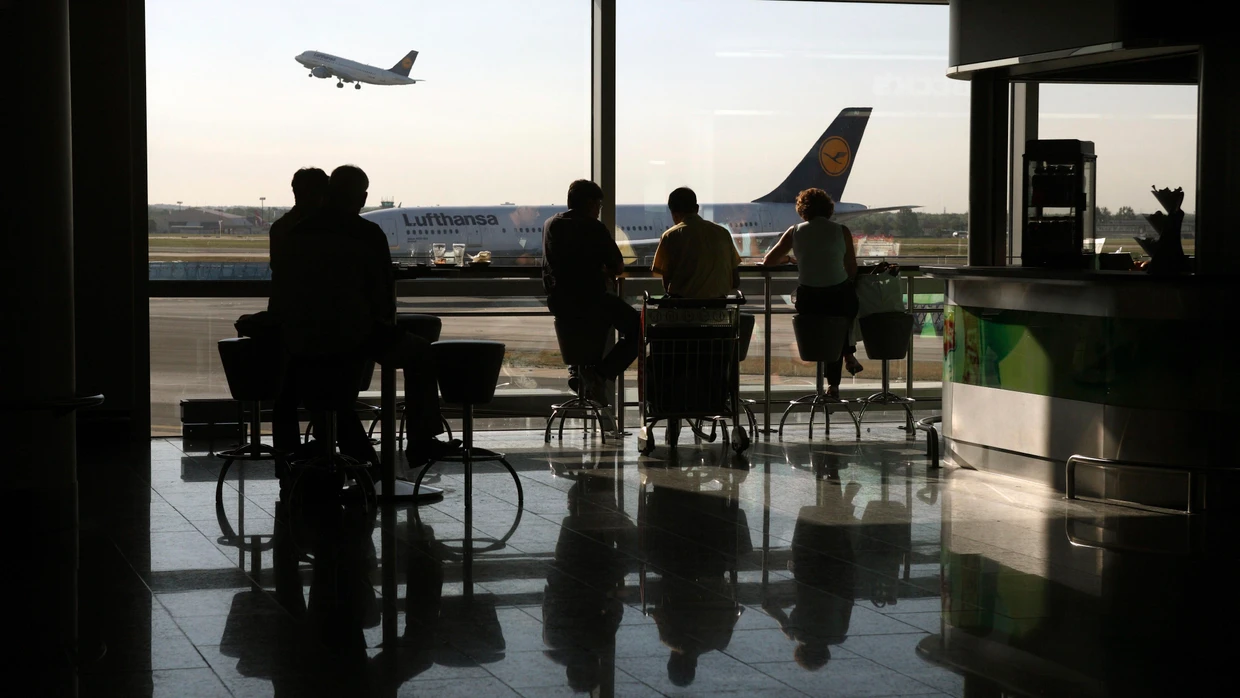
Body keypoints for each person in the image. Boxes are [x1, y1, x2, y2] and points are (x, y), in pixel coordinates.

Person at [270, 165, 455, 478]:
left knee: (316, 389)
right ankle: (421, 441)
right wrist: (383, 327)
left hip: (305, 340)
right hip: (354, 337)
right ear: (363, 196)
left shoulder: (295, 232)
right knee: (421, 353)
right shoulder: (365, 233)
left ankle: (323, 456)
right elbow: (382, 295)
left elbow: (284, 286)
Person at [542, 179, 639, 419]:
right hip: (592, 301)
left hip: (560, 305)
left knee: (580, 335)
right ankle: (599, 373)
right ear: (590, 203)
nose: (599, 210)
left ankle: (579, 370)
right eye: (599, 205)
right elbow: (617, 266)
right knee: (640, 327)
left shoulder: (550, 224)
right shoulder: (593, 227)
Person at [761, 188, 863, 398]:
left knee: (828, 328)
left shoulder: (795, 231)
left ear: (802, 210)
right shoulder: (841, 230)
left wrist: (789, 260)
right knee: (841, 316)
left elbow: (768, 261)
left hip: (809, 300)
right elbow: (852, 269)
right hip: (838, 298)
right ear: (829, 208)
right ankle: (840, 370)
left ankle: (846, 356)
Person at [267, 167, 329, 457]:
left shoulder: (282, 227)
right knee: (325, 397)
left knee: (285, 399)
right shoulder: (326, 229)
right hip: (321, 325)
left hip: (287, 322)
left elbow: (280, 275)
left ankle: (288, 462)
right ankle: (329, 452)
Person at [650, 187, 740, 299]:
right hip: (718, 306)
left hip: (683, 307)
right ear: (697, 208)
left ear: (673, 213)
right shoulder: (723, 233)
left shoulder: (670, 236)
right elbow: (735, 281)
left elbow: (666, 283)